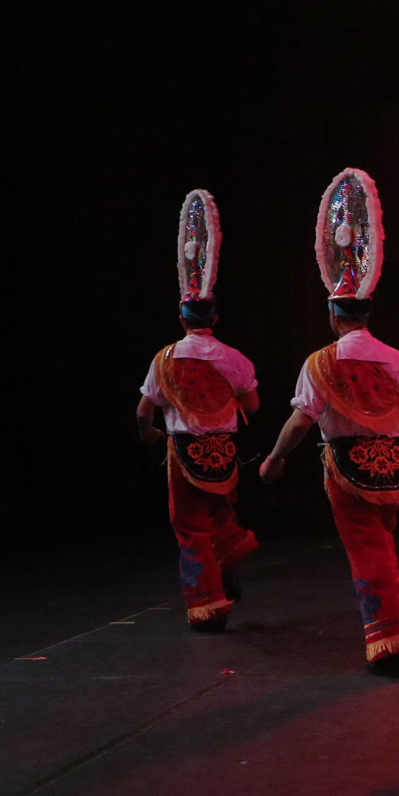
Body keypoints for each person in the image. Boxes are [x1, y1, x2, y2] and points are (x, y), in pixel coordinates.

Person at [259, 169, 399, 675]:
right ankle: (390, 616)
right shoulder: (396, 358)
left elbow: (301, 421)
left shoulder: (321, 363)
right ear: (367, 312)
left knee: (368, 551)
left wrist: (274, 458)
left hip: (349, 469)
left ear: (334, 315)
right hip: (393, 467)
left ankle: (390, 640)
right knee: (382, 542)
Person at [138, 189, 259, 634]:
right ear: (215, 317)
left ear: (181, 316)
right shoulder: (233, 357)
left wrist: (150, 432)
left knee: (190, 528)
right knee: (219, 517)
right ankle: (227, 566)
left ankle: (209, 606)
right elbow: (253, 404)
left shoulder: (164, 359)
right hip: (223, 450)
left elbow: (143, 410)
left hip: (185, 450)